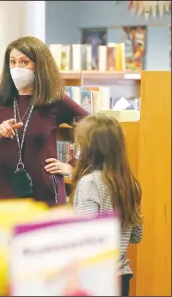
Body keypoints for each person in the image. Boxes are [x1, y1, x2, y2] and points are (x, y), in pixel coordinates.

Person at [0, 36, 88, 204]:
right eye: (12, 62)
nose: (17, 68)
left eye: (24, 62)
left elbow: (97, 131)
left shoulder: (56, 101)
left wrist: (73, 167)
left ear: (39, 66)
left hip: (48, 198)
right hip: (8, 198)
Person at [71, 114, 143, 296]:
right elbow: (136, 236)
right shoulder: (130, 184)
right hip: (121, 276)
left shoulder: (90, 183)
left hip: (94, 278)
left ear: (91, 148)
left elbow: (86, 240)